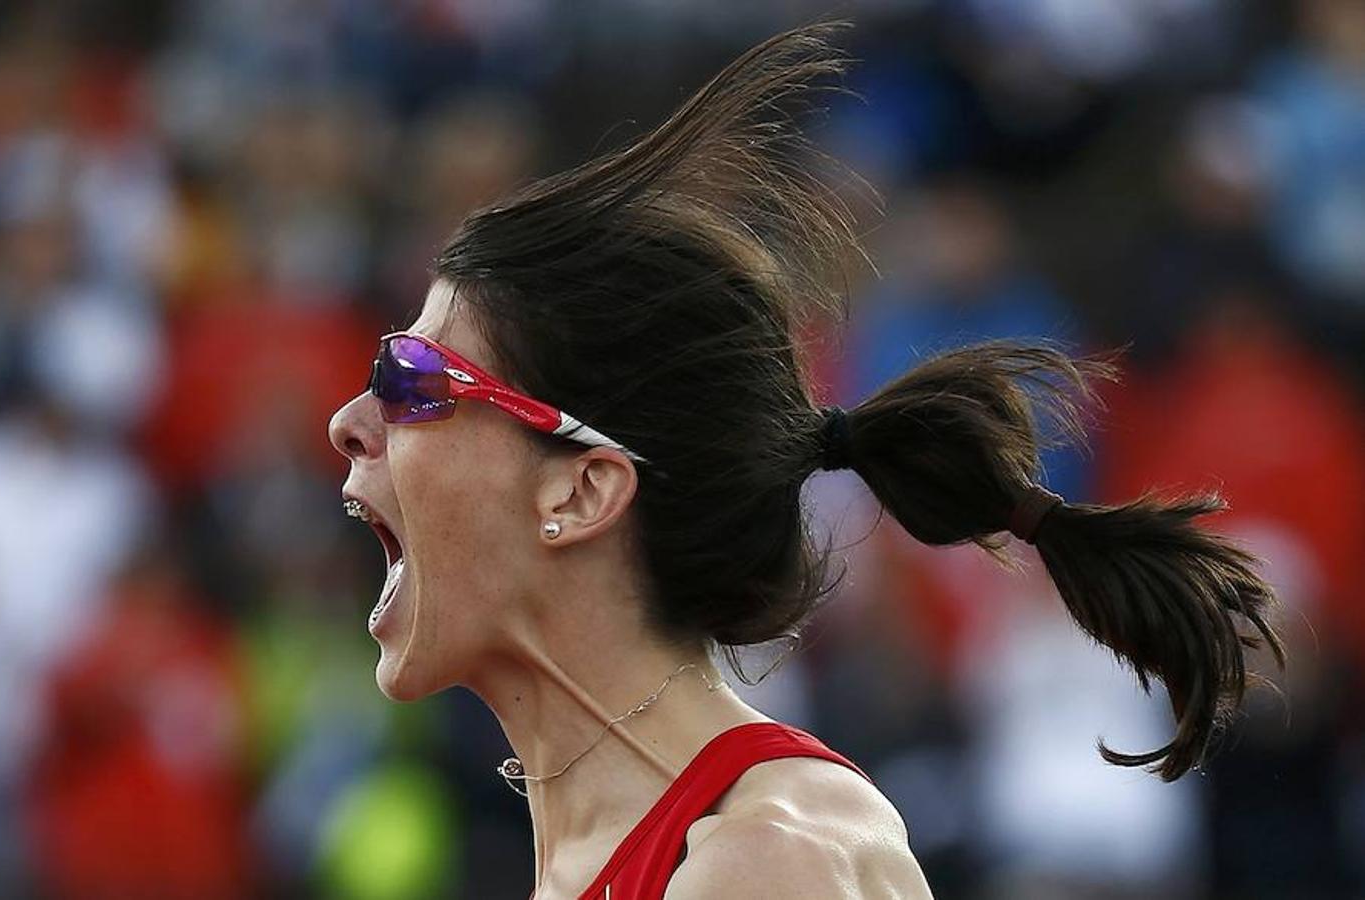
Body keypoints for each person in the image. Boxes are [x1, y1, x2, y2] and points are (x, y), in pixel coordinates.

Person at [328, 23, 1283, 899]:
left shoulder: (766, 861)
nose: (349, 421)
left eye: (413, 379)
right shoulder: (632, 853)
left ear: (581, 488)